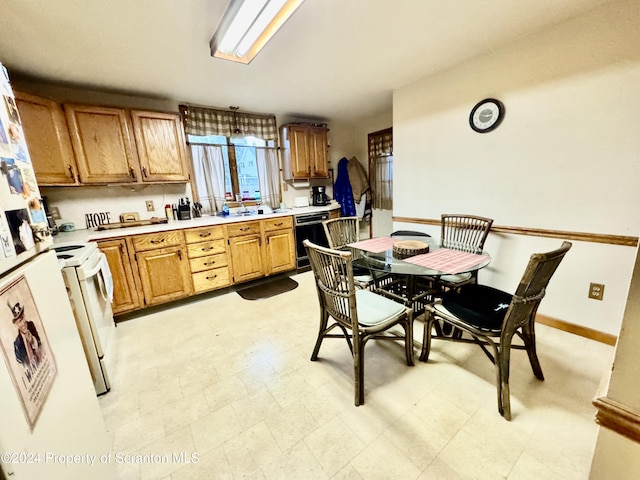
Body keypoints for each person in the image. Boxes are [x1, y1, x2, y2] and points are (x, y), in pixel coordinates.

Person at [9, 299, 42, 370]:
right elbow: (21, 362)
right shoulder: (17, 343)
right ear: (16, 324)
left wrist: (33, 341)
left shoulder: (31, 325)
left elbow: (39, 342)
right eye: (19, 321)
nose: (23, 323)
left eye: (23, 318)